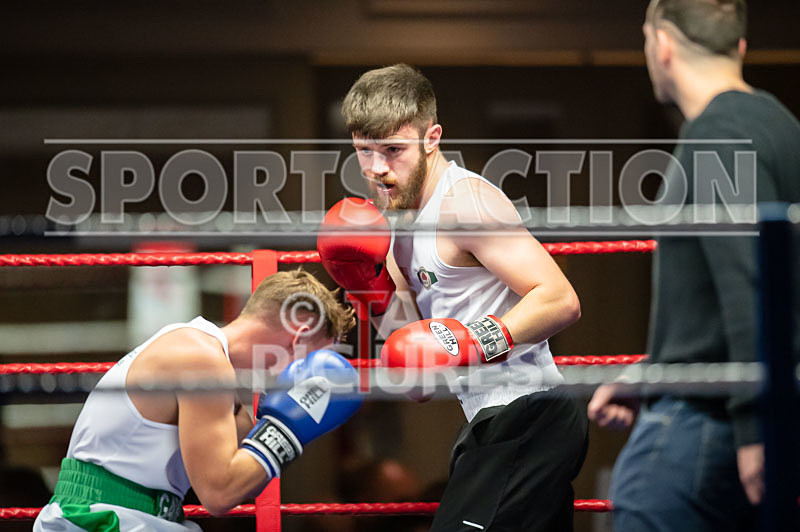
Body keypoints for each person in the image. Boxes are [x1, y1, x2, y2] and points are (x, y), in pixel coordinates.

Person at [318, 64, 588, 531]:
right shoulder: (395, 224)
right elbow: (417, 379)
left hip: (530, 414)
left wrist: (470, 341)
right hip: (488, 420)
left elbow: (561, 299)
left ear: (432, 138)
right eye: (365, 151)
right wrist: (368, 287)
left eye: (393, 150)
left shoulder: (466, 204)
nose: (378, 168)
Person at [587, 1, 800, 530]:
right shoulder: (782, 127)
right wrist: (655, 370)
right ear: (740, 47)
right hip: (743, 408)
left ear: (662, 44)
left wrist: (754, 424)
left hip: (706, 423)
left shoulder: (716, 133)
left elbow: (748, 282)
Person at [34, 268, 361, 531]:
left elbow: (246, 481)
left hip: (136, 515)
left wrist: (275, 422)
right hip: (101, 518)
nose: (303, 376)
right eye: (311, 361)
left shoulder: (216, 369)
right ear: (299, 336)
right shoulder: (201, 359)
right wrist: (288, 429)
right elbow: (220, 492)